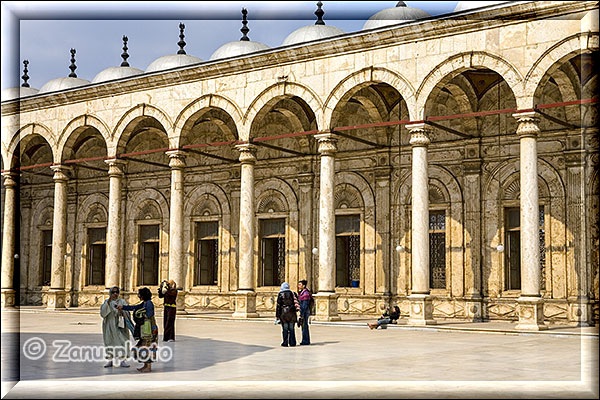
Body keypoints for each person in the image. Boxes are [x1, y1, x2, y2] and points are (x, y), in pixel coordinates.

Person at [118, 287, 158, 372]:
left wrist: (140, 315)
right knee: (143, 346)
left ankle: (148, 367)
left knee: (147, 346)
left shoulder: (149, 303)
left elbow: (150, 314)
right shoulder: (144, 303)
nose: (138, 296)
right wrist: (123, 307)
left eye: (139, 294)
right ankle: (145, 365)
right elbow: (134, 307)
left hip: (149, 329)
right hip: (145, 328)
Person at [100, 286, 131, 368]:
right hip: (109, 325)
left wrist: (122, 311)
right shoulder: (107, 302)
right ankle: (110, 359)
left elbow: (127, 312)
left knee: (122, 341)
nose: (115, 294)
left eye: (117, 292)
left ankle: (122, 359)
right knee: (109, 341)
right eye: (113, 292)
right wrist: (108, 303)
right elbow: (102, 313)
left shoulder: (122, 301)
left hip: (120, 325)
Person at [275, 282, 298, 347]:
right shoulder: (292, 293)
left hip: (283, 313)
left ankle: (285, 342)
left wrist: (277, 315)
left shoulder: (280, 294)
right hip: (292, 313)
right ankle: (292, 342)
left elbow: (278, 305)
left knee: (285, 329)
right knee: (292, 329)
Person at [297, 280, 313, 345]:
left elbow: (305, 305)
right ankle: (305, 339)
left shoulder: (305, 293)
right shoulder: (302, 292)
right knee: (304, 326)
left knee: (305, 326)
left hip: (305, 312)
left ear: (303, 286)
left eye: (300, 285)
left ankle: (305, 340)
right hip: (303, 311)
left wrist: (301, 314)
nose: (298, 286)